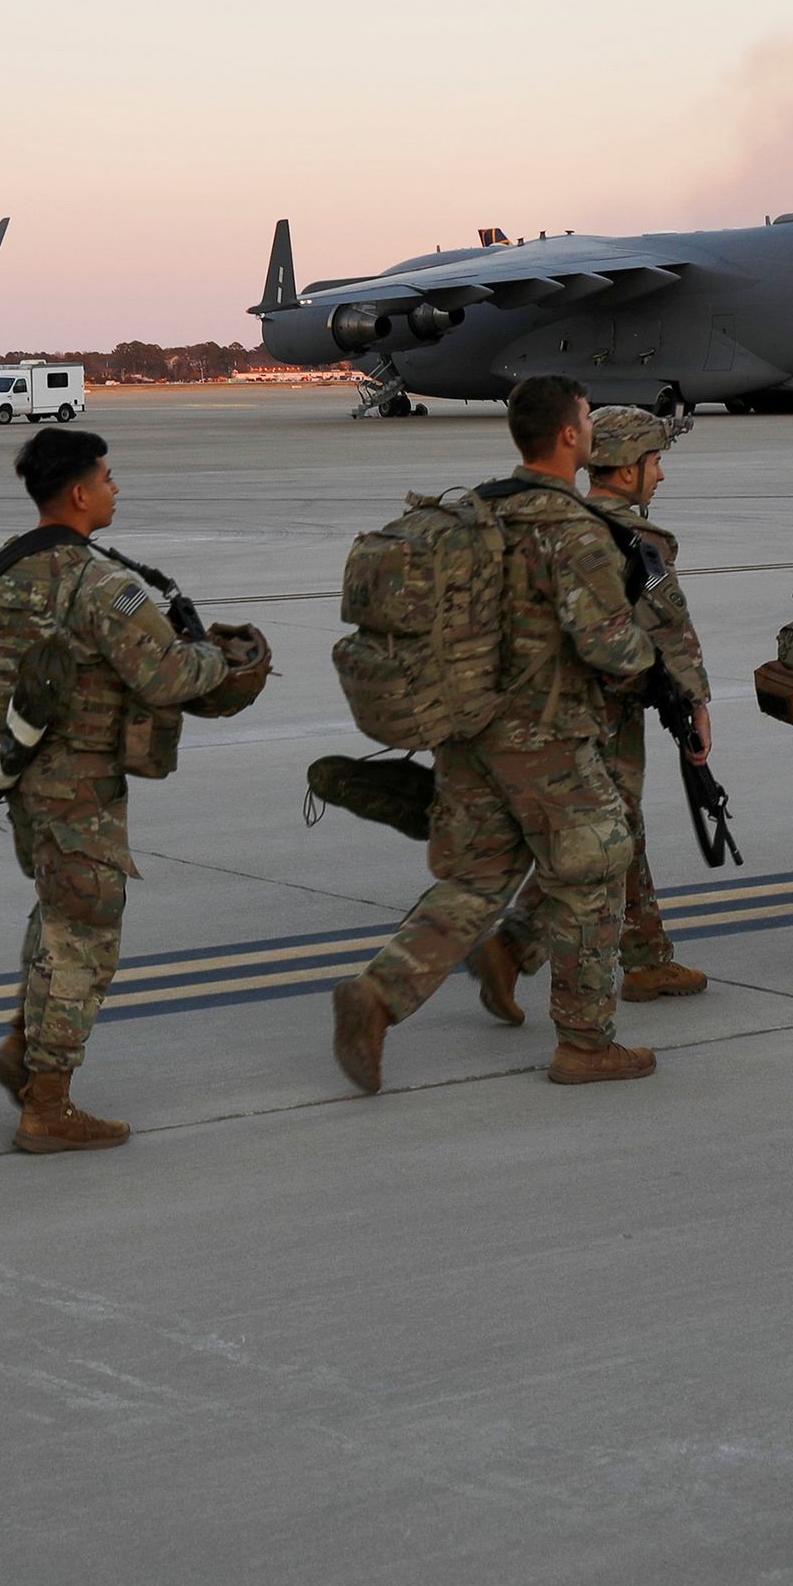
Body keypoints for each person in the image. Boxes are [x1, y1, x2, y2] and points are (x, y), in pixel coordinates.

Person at [332, 375, 659, 1090]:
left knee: (480, 876)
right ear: (569, 435)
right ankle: (585, 1042)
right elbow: (609, 646)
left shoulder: (481, 510)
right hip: (545, 738)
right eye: (586, 419)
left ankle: (379, 993)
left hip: (465, 724)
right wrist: (650, 658)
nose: (591, 430)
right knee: (594, 870)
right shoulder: (572, 529)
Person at [0, 426, 267, 1149]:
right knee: (87, 933)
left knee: (57, 913)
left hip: (17, 773)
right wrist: (225, 660)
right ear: (79, 493)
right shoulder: (102, 585)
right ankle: (48, 1106)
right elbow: (168, 675)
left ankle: (23, 1048)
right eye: (107, 478)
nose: (115, 490)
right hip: (80, 783)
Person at [479, 404, 711, 1019]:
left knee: (619, 830)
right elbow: (671, 629)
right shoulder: (639, 540)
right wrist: (697, 703)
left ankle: (646, 956)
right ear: (629, 469)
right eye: (655, 462)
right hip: (608, 711)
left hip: (546, 705)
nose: (661, 475)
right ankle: (514, 948)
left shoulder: (561, 522)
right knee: (603, 838)